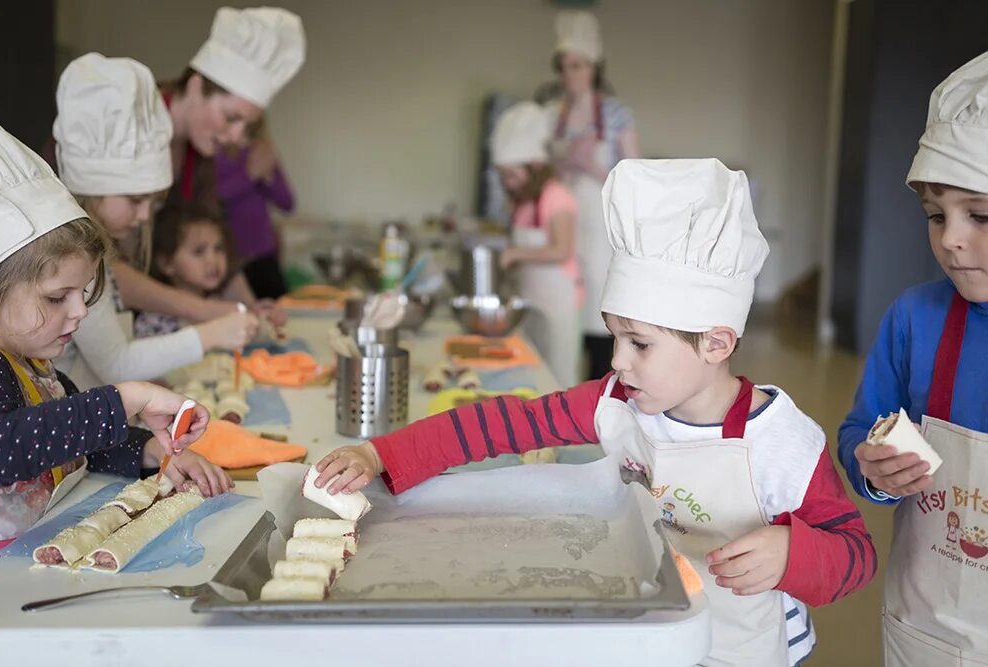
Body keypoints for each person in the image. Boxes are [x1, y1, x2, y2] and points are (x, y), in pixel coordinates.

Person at [313, 159, 876, 666]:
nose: (617, 361)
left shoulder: (782, 443)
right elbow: (502, 424)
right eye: (614, 337)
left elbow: (856, 554)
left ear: (717, 344)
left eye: (639, 343)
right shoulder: (618, 403)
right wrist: (380, 451)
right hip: (655, 634)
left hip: (745, 649)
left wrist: (792, 554)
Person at [0, 115, 229, 555]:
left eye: (83, 293)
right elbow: (1, 449)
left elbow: (79, 446)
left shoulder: (36, 366)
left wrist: (153, 453)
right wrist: (126, 398)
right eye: (58, 297)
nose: (80, 311)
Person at [837, 52, 988, 666]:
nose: (950, 237)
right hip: (929, 630)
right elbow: (858, 430)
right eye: (936, 215)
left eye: (979, 215)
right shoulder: (914, 319)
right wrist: (872, 470)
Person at [52, 52, 257, 390]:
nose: (146, 215)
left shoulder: (94, 254)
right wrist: (211, 333)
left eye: (152, 201)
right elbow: (117, 364)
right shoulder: (74, 262)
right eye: (135, 200)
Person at [116, 6, 306, 330]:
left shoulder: (199, 155)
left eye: (247, 125)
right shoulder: (126, 129)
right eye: (232, 117)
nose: (236, 136)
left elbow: (210, 236)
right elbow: (104, 267)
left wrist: (249, 308)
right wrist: (205, 310)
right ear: (195, 86)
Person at [544, 10, 640, 380]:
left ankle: (602, 396)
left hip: (602, 234)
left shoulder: (616, 115)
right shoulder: (554, 115)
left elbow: (634, 178)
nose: (572, 74)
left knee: (600, 319)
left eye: (580, 65)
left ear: (595, 67)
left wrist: (591, 167)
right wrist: (563, 166)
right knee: (564, 320)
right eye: (566, 66)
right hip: (563, 230)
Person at [493, 102, 582, 388]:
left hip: (559, 303)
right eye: (504, 175)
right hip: (532, 299)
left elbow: (561, 250)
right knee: (534, 375)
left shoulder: (556, 195)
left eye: (513, 174)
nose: (508, 182)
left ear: (534, 166)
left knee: (559, 378)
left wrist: (515, 254)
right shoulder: (524, 201)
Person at [215, 116, 295, 299]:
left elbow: (288, 204)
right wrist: (249, 175)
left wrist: (268, 178)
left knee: (279, 317)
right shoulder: (213, 153)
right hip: (230, 261)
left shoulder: (260, 151)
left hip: (263, 257)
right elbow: (212, 200)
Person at [135, 203, 236, 338]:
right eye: (198, 252)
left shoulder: (220, 305)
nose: (213, 260)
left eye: (218, 249)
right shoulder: (155, 320)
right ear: (167, 263)